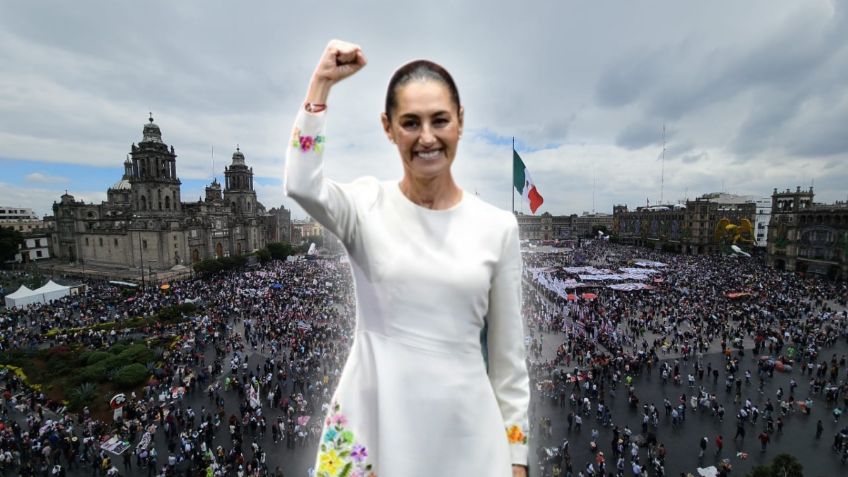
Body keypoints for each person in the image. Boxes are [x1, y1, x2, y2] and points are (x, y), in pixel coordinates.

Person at [284, 40, 530, 476]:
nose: (427, 137)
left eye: (440, 120)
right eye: (410, 122)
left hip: (468, 434)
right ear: (388, 127)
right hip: (379, 425)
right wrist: (320, 85)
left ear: (460, 123)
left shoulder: (498, 228)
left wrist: (516, 459)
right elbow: (303, 184)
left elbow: (509, 365)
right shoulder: (365, 205)